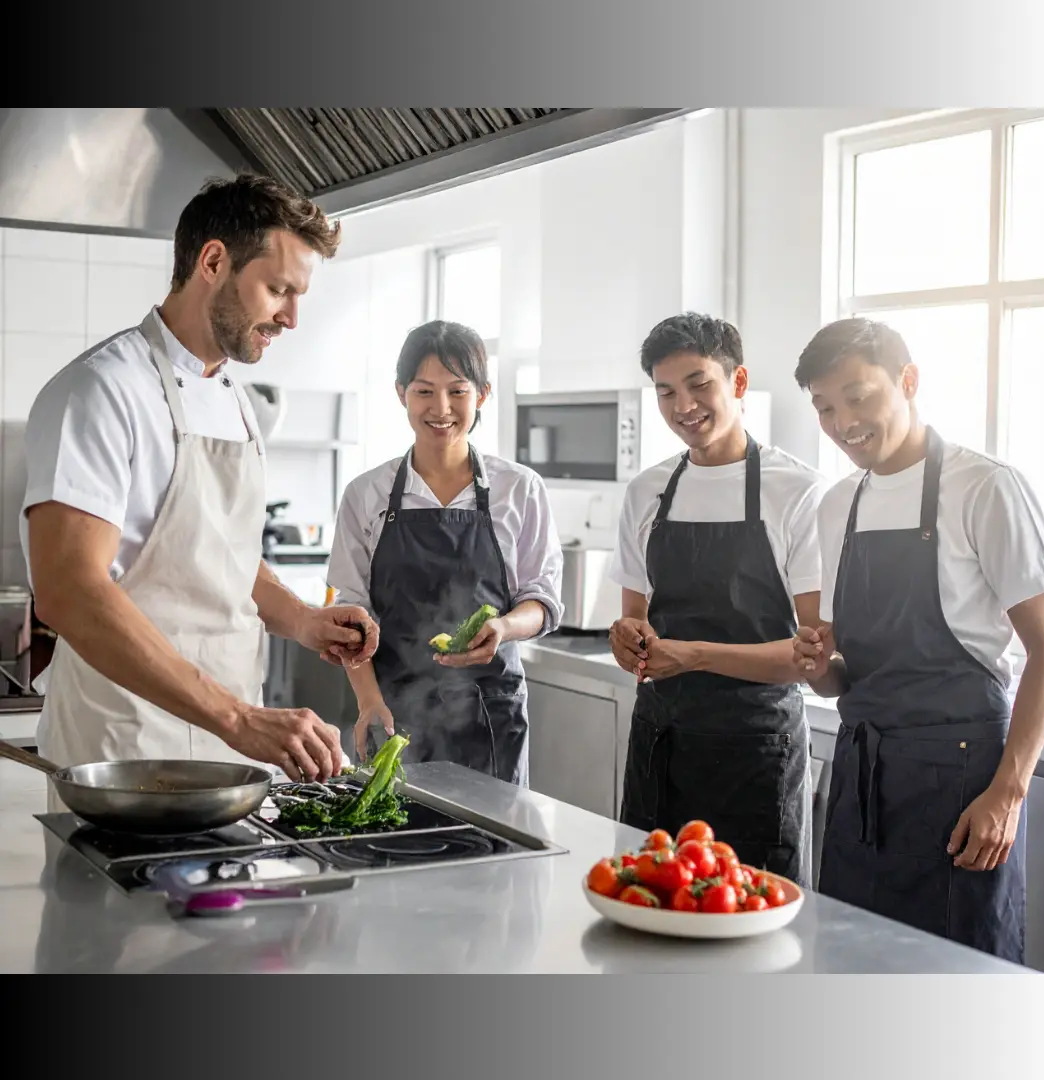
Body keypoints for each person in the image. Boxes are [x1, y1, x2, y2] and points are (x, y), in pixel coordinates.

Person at [22, 174, 380, 803]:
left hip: (229, 757)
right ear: (214, 261)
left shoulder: (237, 401)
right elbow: (69, 591)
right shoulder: (103, 391)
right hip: (123, 754)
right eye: (278, 290)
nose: (292, 318)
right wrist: (239, 719)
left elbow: (221, 557)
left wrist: (302, 619)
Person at [792, 317, 1044, 964]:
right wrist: (817, 667)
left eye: (858, 397)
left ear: (908, 380)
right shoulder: (839, 504)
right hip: (862, 778)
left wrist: (1007, 794)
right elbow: (845, 674)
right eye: (826, 408)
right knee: (851, 967)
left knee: (957, 984)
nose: (842, 423)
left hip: (962, 779)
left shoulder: (986, 487)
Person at [608, 313, 827, 887]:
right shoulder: (646, 491)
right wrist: (626, 639)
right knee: (649, 911)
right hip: (660, 744)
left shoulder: (797, 491)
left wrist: (694, 655)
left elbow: (814, 656)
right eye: (666, 392)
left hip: (756, 752)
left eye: (699, 384)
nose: (684, 406)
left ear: (738, 381)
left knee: (753, 929)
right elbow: (634, 620)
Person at [326, 320, 564, 784]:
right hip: (391, 709)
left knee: (495, 850)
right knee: (390, 847)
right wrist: (367, 699)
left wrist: (503, 626)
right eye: (423, 391)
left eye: (457, 391)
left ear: (483, 394)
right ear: (401, 393)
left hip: (490, 715)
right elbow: (349, 610)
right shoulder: (366, 495)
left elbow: (542, 599)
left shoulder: (519, 489)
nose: (441, 409)